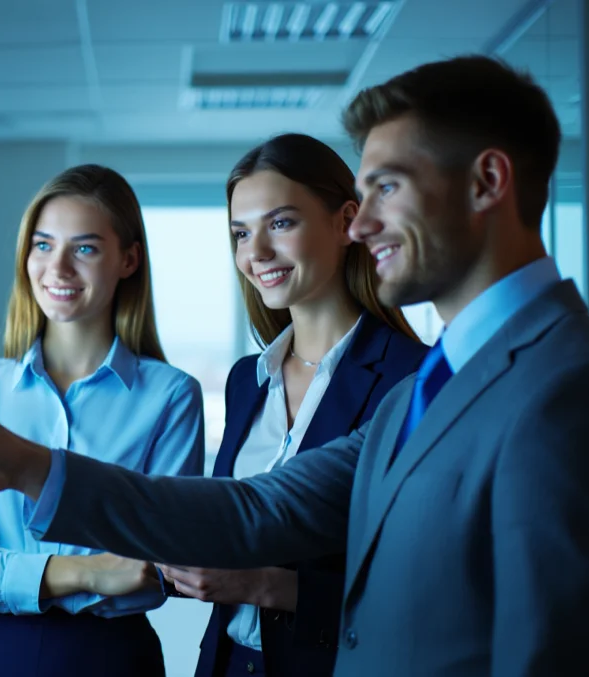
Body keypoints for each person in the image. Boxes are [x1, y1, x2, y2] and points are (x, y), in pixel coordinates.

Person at [0, 56, 589, 677]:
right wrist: (24, 462)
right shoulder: (437, 382)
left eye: (386, 188)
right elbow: (258, 510)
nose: (361, 221)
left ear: (487, 181)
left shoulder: (581, 393)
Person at [0, 164, 206, 677]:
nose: (58, 268)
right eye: (43, 244)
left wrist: (19, 576)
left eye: (86, 248)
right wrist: (85, 571)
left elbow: (161, 573)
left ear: (128, 259)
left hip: (113, 658)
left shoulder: (171, 397)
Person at [171, 134, 425, 677]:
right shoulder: (246, 380)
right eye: (241, 233)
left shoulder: (413, 380)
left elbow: (428, 585)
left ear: (346, 221)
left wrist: (269, 586)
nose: (256, 253)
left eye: (280, 224)